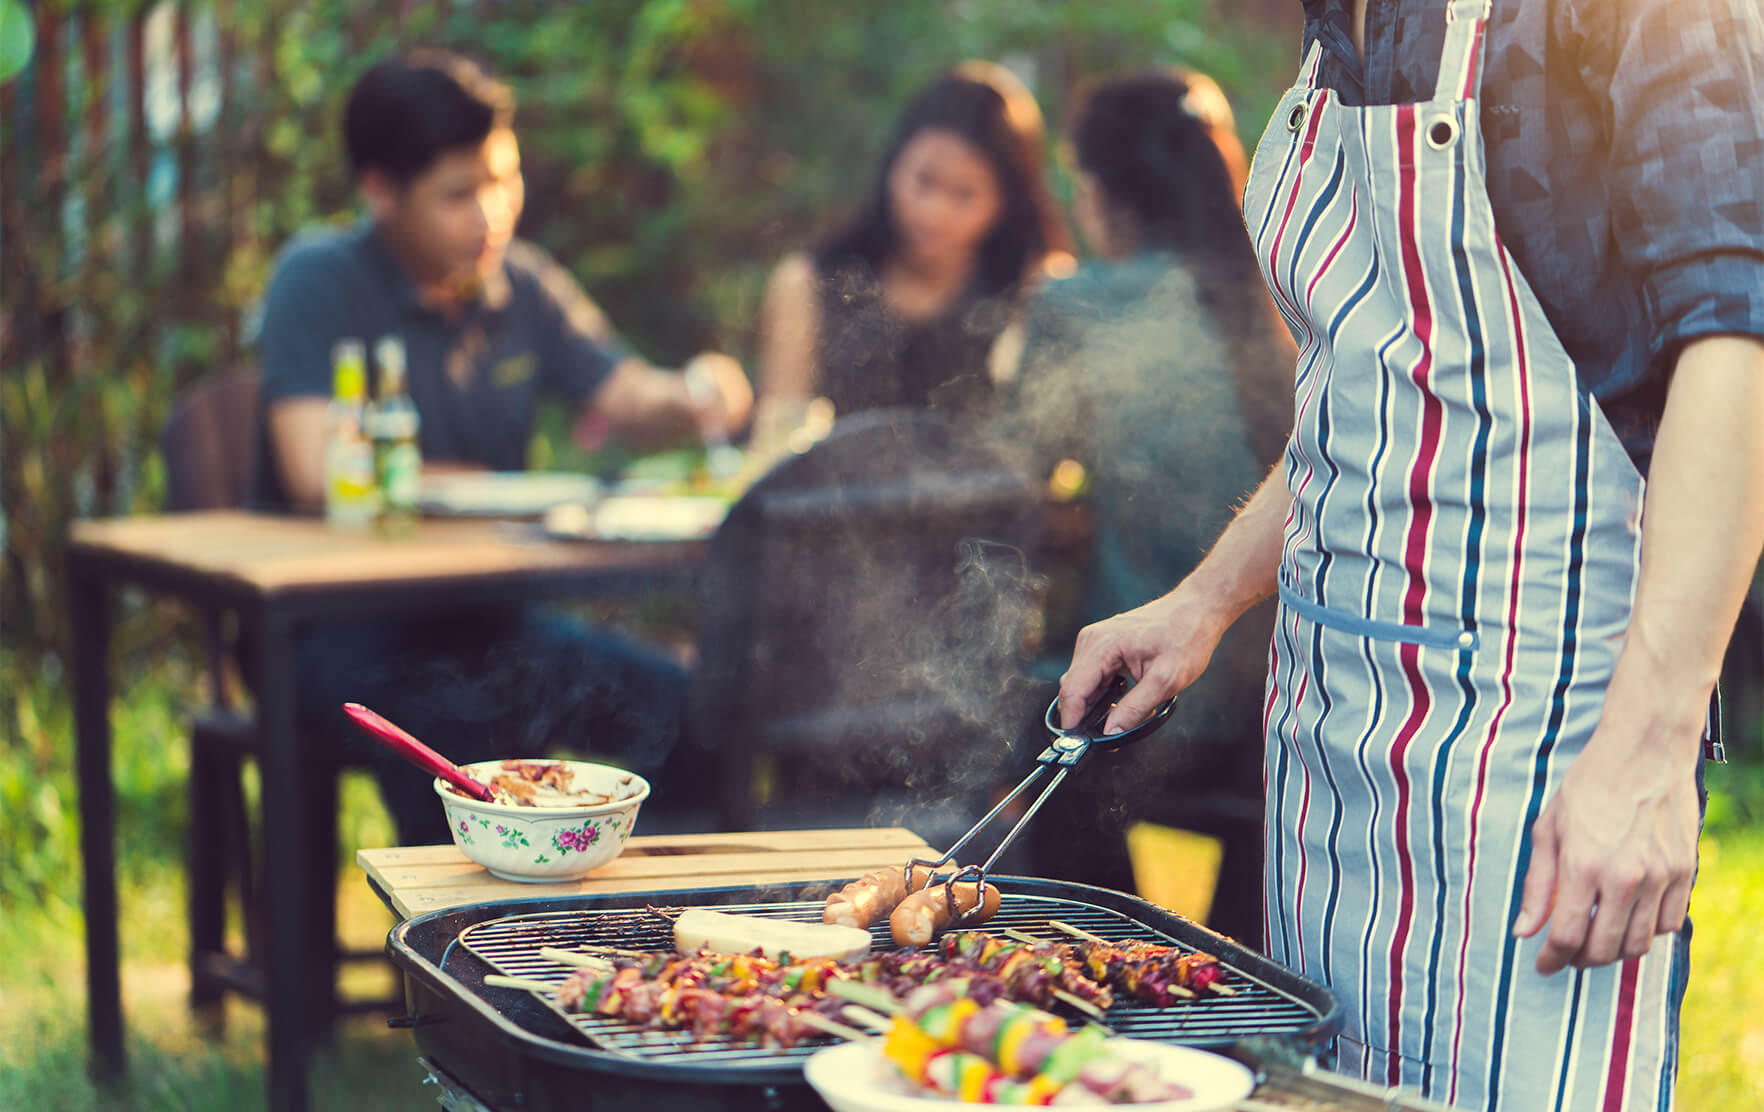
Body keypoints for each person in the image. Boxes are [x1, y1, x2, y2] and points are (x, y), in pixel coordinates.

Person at [1056, 2, 1764, 1109]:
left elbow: (1741, 349)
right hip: (1327, 730)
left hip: (1532, 739)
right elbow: (1378, 383)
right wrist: (1203, 601)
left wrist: (1650, 746)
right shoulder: (1346, 20)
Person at [251, 50, 751, 844]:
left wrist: (695, 392)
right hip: (342, 629)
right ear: (380, 189)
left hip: (491, 621)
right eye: (460, 193)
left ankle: (647, 937)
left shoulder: (519, 283)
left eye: (503, 181)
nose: (492, 214)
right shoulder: (320, 278)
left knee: (687, 712)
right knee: (458, 724)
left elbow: (625, 395)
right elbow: (314, 471)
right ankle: (459, 955)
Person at [993, 69, 1295, 941]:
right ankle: (1232, 964)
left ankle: (1103, 954)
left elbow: (1012, 477)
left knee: (1005, 726)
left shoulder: (1078, 304)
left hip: (1159, 709)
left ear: (1097, 189)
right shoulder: (1279, 295)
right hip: (1282, 714)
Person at [754, 61, 1072, 433]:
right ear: (893, 166)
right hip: (831, 490)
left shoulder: (1035, 286)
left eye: (964, 194)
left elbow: (1048, 443)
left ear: (1006, 202)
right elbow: (778, 438)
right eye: (923, 181)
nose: (934, 212)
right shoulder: (808, 281)